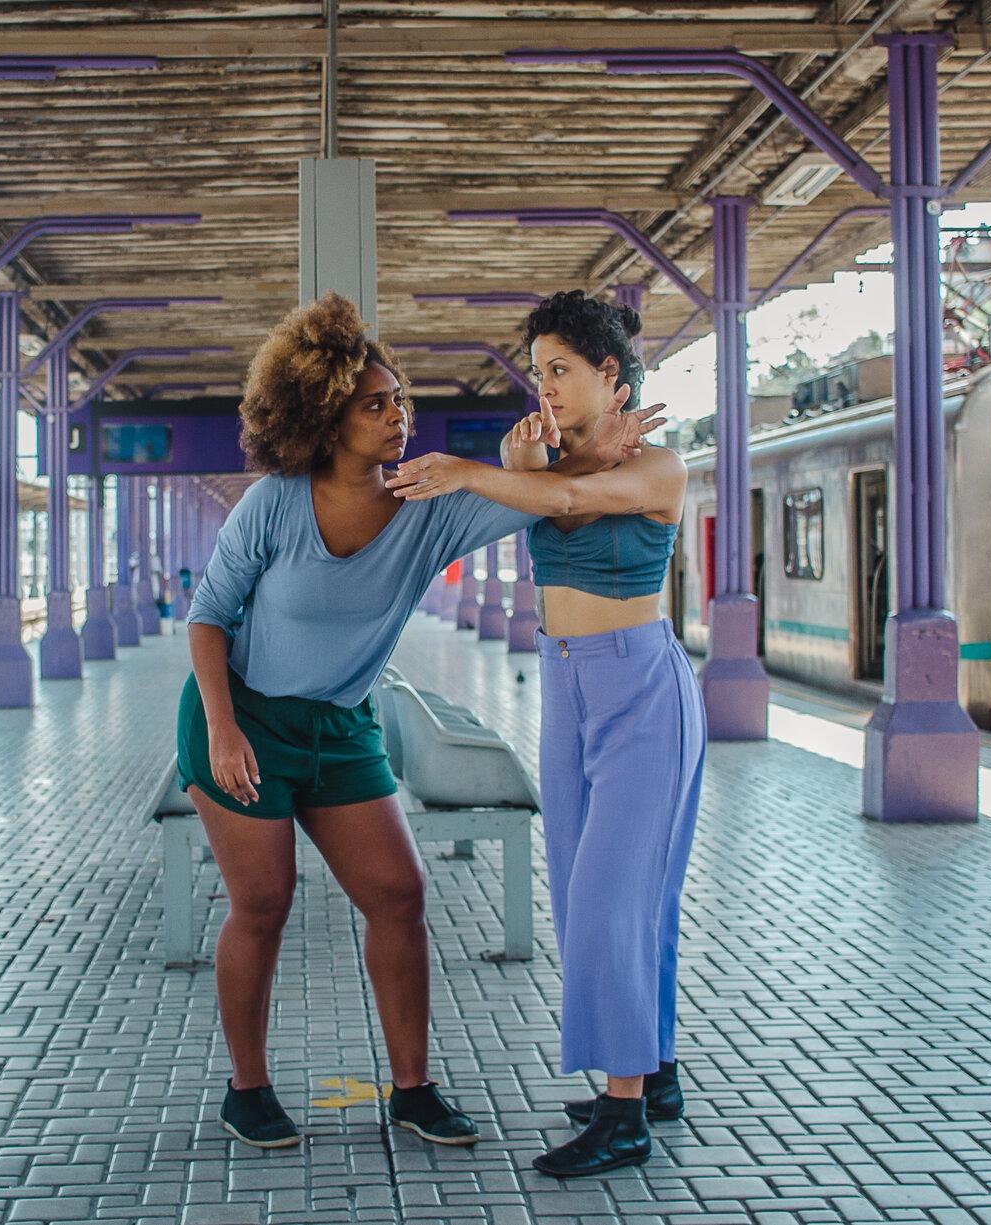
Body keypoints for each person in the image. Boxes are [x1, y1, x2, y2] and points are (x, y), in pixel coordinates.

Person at [179, 293, 656, 1150]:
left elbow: (540, 496)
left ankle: (413, 1089)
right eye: (375, 403)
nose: (398, 415)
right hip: (242, 715)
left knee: (399, 894)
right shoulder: (274, 505)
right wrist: (221, 727)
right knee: (264, 901)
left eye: (401, 399)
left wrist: (593, 454)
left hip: (342, 725)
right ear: (326, 417)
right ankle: (246, 1088)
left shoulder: (428, 505)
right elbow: (208, 615)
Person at [385, 290, 704, 1179]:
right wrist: (521, 463)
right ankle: (656, 1069)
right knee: (577, 892)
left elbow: (564, 496)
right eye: (538, 371)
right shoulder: (538, 454)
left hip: (640, 686)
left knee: (616, 897)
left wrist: (470, 468)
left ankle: (624, 1111)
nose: (546, 386)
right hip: (566, 683)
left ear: (611, 373)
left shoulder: (661, 467)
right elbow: (549, 497)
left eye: (560, 369)